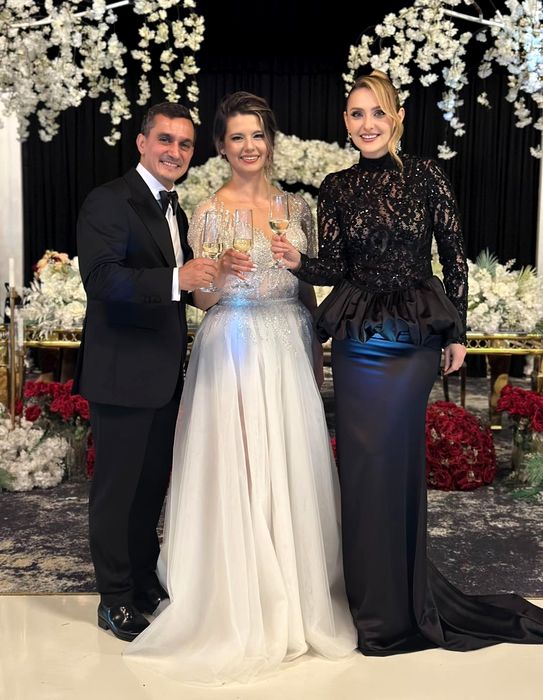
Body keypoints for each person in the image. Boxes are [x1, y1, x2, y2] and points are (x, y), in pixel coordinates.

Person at [271, 71, 543, 654]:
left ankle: (402, 600)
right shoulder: (336, 186)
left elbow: (454, 257)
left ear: (397, 118)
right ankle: (373, 606)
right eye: (356, 113)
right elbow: (335, 267)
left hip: (413, 338)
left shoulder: (426, 175)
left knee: (395, 464)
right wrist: (298, 260)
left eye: (378, 112)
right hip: (358, 341)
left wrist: (457, 332)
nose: (367, 123)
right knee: (362, 468)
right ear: (346, 123)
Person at [125, 92, 356, 683]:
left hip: (289, 344)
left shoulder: (298, 208)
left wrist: (315, 353)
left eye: (257, 135)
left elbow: (308, 288)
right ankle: (238, 588)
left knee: (290, 464)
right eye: (236, 137)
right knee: (240, 464)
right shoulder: (205, 211)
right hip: (231, 346)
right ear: (222, 147)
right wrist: (222, 272)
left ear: (270, 141)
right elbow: (201, 297)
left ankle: (296, 591)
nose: (248, 146)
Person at [73, 102, 218, 642]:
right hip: (121, 374)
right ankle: (114, 599)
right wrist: (178, 278)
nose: (174, 151)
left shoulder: (174, 208)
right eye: (165, 140)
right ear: (141, 141)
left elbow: (184, 288)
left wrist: (215, 282)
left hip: (161, 376)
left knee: (149, 487)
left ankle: (140, 581)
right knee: (117, 492)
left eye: (184, 144)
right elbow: (102, 280)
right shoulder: (110, 200)